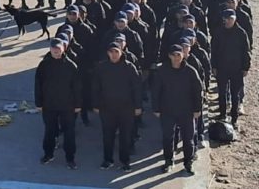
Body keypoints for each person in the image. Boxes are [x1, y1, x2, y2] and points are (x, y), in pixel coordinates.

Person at [152, 44, 203, 175]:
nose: (176, 58)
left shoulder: (191, 71)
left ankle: (188, 163)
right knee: (167, 137)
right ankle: (168, 161)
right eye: (173, 55)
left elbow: (198, 91)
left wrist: (197, 108)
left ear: (183, 55)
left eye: (178, 55)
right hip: (167, 110)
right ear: (169, 56)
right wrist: (156, 108)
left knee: (188, 139)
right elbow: (156, 91)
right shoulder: (162, 71)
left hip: (187, 111)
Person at [93, 41, 142, 172]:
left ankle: (125, 161)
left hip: (126, 108)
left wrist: (138, 106)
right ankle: (107, 160)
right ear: (107, 53)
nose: (114, 55)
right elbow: (96, 88)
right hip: (107, 108)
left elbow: (137, 88)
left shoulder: (129, 67)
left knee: (125, 137)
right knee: (107, 135)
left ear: (121, 52)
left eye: (116, 52)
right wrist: (96, 104)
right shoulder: (101, 67)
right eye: (111, 52)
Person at [34, 38, 81, 170]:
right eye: (54, 49)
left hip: (67, 106)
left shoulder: (71, 66)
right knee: (50, 131)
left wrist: (78, 105)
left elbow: (77, 87)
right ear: (50, 49)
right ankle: (48, 154)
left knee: (69, 133)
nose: (56, 51)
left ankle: (70, 158)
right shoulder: (44, 65)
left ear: (63, 49)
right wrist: (39, 103)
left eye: (58, 49)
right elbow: (38, 85)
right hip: (49, 105)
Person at [211, 9, 251, 127]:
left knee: (235, 94)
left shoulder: (241, 33)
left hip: (236, 69)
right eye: (226, 19)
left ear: (235, 19)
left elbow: (246, 52)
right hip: (222, 68)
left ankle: (234, 117)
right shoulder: (218, 32)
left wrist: (245, 67)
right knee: (222, 93)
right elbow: (214, 51)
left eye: (230, 19)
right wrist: (214, 66)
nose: (228, 21)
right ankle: (222, 114)